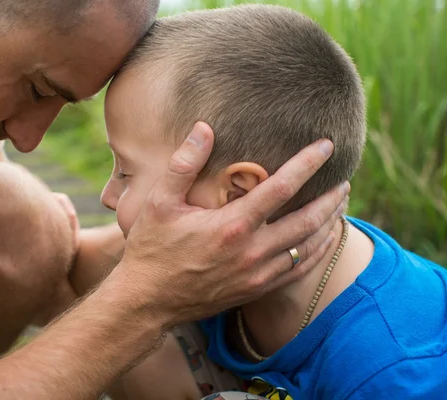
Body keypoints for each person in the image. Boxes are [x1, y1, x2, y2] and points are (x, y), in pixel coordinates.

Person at [0, 0, 348, 398]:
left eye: (58, 104)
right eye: (37, 88)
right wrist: (146, 298)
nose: (28, 141)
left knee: (23, 218)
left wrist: (201, 244)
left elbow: (30, 251)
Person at [98, 4, 447, 399]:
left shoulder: (395, 373)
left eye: (126, 172)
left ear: (240, 194)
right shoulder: (204, 269)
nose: (107, 196)